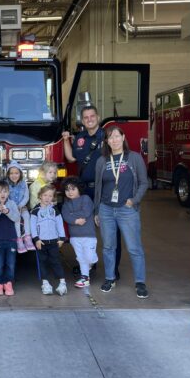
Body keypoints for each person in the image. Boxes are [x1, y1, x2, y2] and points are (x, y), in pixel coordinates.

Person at [62, 106, 122, 280]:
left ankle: (113, 270)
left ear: (98, 117)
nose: (89, 119)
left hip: (106, 188)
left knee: (110, 230)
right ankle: (89, 265)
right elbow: (72, 158)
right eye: (85, 117)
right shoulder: (79, 138)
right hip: (86, 191)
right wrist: (66, 140)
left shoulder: (108, 135)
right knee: (87, 230)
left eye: (92, 116)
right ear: (82, 120)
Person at [94, 126, 149, 299]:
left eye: (117, 136)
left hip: (127, 210)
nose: (114, 140)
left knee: (134, 248)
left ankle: (140, 282)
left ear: (123, 137)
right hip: (106, 209)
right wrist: (97, 210)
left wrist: (134, 201)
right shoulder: (102, 161)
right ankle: (110, 278)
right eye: (110, 137)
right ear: (106, 141)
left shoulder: (134, 158)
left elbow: (143, 182)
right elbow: (98, 187)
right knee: (109, 247)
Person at [30, 184, 67, 296]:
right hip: (41, 242)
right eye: (45, 195)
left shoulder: (55, 210)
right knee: (43, 263)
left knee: (56, 261)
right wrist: (36, 239)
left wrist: (61, 238)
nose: (47, 198)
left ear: (53, 198)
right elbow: (32, 226)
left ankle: (62, 283)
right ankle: (45, 283)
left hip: (54, 241)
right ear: (40, 196)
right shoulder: (35, 211)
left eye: (50, 196)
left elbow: (60, 224)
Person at [61, 177, 97, 288]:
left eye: (73, 189)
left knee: (89, 258)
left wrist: (72, 215)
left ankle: (91, 263)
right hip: (74, 237)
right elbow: (65, 216)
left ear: (79, 189)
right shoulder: (66, 204)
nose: (70, 192)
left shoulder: (86, 199)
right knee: (81, 258)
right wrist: (75, 220)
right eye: (67, 190)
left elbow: (86, 212)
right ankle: (85, 278)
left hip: (89, 235)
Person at [0, 181, 20, 296]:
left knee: (11, 263)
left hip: (11, 239)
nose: (3, 194)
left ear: (8, 193)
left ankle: (8, 282)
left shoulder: (12, 204)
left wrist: (7, 212)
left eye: (5, 191)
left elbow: (16, 218)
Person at [6, 161, 35, 253]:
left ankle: (27, 238)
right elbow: (6, 197)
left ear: (20, 174)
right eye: (11, 173)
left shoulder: (24, 183)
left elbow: (26, 196)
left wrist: (21, 205)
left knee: (26, 216)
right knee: (17, 219)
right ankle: (19, 239)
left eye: (16, 173)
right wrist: (14, 207)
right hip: (11, 208)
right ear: (8, 174)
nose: (14, 175)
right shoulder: (6, 184)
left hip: (22, 206)